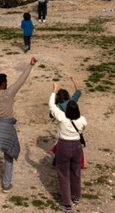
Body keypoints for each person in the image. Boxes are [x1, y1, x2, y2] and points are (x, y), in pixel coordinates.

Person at [0, 57, 37, 195]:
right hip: (7, 129)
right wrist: (30, 65)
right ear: (4, 83)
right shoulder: (10, 93)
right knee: (9, 156)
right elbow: (22, 80)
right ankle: (6, 185)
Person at [49, 85, 87, 213]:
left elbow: (51, 106)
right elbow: (82, 129)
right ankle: (76, 196)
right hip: (77, 147)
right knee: (76, 171)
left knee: (63, 174)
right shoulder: (82, 120)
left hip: (64, 146)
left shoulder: (61, 117)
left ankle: (67, 204)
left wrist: (54, 91)